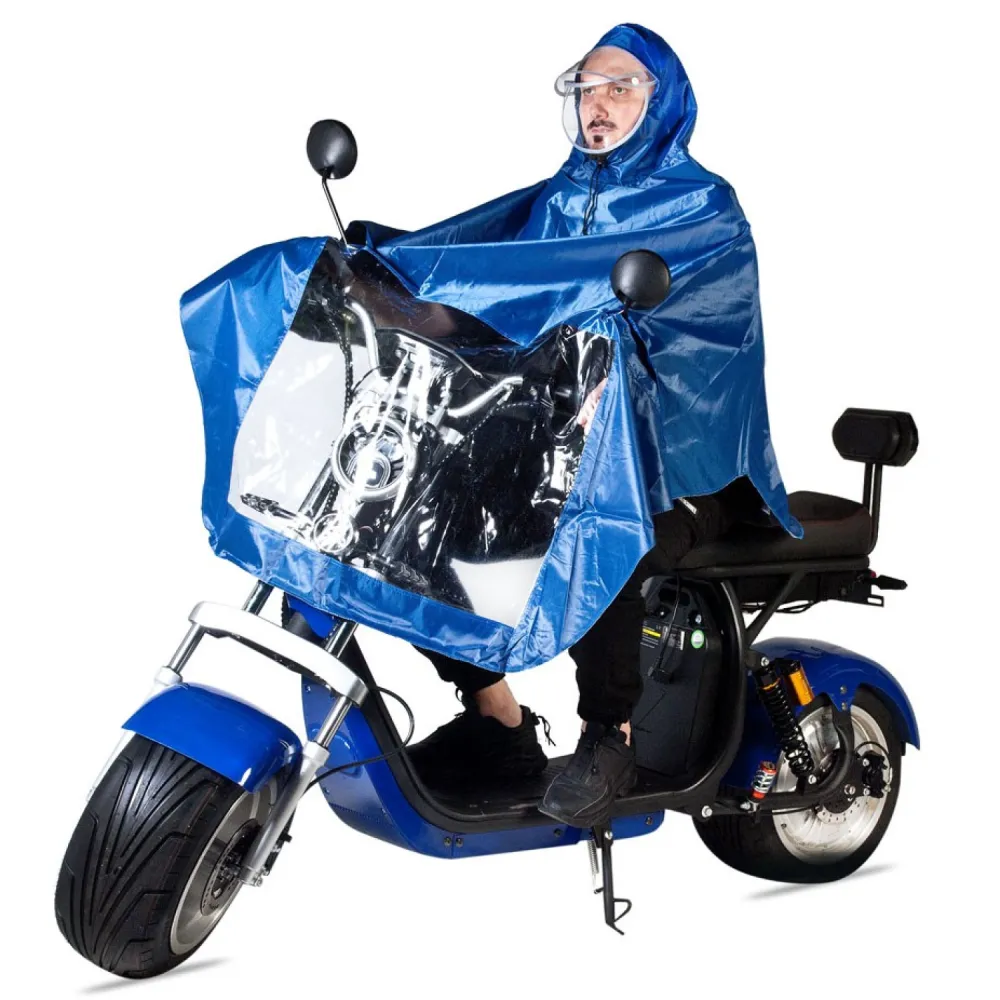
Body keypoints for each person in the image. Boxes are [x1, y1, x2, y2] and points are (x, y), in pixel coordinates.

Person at [405, 25, 773, 827]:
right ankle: (496, 718)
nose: (596, 105)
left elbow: (707, 349)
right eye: (585, 89)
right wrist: (392, 271)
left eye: (619, 88)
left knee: (602, 527)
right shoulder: (558, 202)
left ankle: (613, 736)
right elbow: (490, 270)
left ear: (661, 102)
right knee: (417, 521)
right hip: (558, 452)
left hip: (681, 472)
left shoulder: (703, 208)